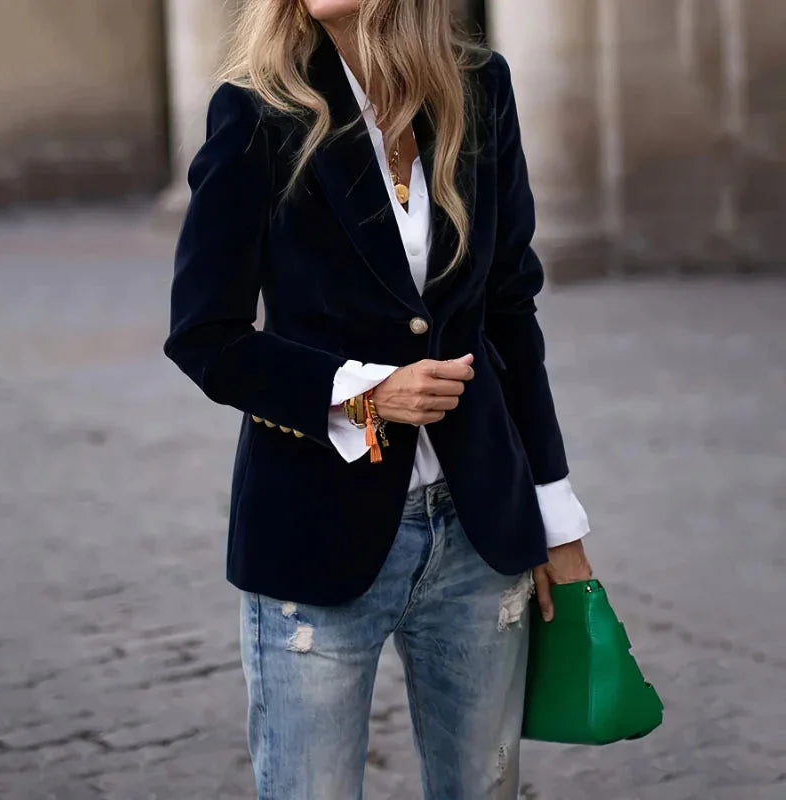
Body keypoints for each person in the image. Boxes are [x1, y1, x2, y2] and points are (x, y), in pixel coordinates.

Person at [164, 0, 594, 797]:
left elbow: (510, 313)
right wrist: (363, 394)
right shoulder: (257, 109)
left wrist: (558, 521)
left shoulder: (479, 88)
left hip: (479, 530)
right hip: (315, 528)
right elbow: (206, 336)